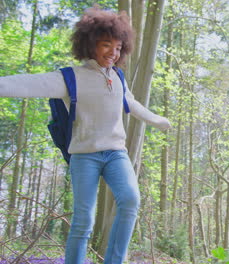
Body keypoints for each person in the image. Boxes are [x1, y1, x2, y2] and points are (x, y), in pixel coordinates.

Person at [0, 6, 171, 264]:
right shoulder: (70, 78)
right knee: (84, 220)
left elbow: (131, 103)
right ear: (90, 44)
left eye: (117, 47)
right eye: (106, 45)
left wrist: (157, 120)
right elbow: (28, 83)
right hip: (84, 157)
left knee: (130, 199)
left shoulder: (118, 77)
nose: (112, 53)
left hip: (115, 154)